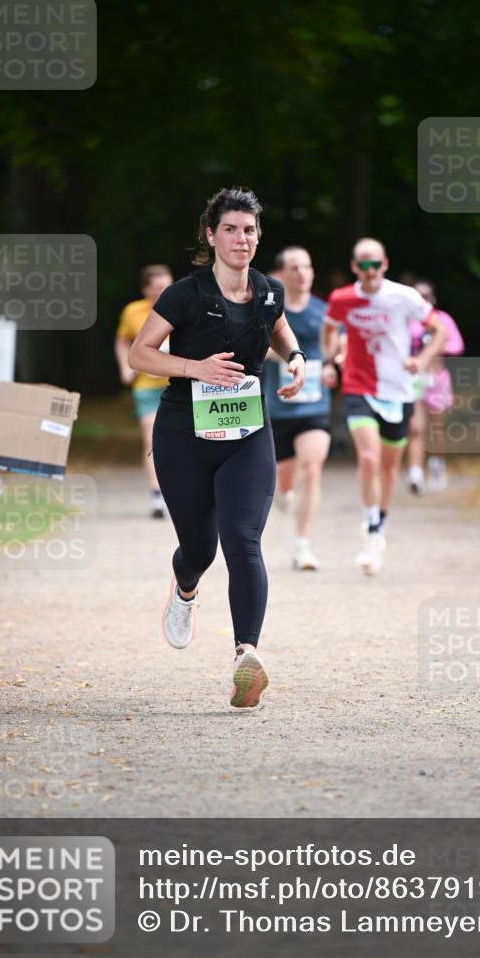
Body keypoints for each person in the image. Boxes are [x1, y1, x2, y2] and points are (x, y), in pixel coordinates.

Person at [128, 187, 305, 708]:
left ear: (258, 237)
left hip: (246, 434)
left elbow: (279, 328)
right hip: (184, 435)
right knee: (200, 549)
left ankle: (245, 656)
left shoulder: (269, 291)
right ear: (211, 235)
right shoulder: (184, 294)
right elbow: (141, 354)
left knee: (243, 541)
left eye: (249, 230)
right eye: (230, 229)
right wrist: (195, 368)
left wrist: (296, 358)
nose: (240, 239)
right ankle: (185, 590)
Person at [321, 238, 446, 576]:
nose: (370, 270)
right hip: (358, 386)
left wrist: (421, 360)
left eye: (375, 264)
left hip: (398, 391)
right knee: (368, 458)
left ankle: (380, 525)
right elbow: (329, 328)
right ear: (354, 267)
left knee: (390, 469)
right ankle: (370, 526)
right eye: (363, 264)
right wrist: (329, 362)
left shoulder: (405, 297)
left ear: (385, 264)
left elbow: (438, 331)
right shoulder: (342, 298)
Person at [263, 246, 337, 570]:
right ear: (281, 274)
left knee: (312, 468)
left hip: (315, 406)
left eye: (306, 266)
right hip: (278, 406)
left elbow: (338, 347)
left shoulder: (323, 311)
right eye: (294, 267)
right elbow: (253, 346)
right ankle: (284, 491)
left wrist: (333, 365)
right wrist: (283, 356)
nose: (302, 273)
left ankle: (302, 545)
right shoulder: (269, 311)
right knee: (284, 480)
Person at [115, 264, 173, 519]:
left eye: (167, 286)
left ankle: (182, 491)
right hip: (146, 386)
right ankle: (158, 496)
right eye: (158, 287)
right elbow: (122, 340)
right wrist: (124, 367)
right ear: (145, 289)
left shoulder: (182, 306)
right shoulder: (133, 312)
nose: (163, 292)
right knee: (151, 440)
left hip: (177, 385)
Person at [407, 280, 465, 495]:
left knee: (436, 428)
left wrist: (435, 347)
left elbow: (457, 345)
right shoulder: (406, 320)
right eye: (418, 295)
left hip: (437, 379)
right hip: (414, 378)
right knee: (415, 427)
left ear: (432, 298)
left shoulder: (442, 319)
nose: (422, 300)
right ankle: (415, 473)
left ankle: (436, 463)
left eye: (426, 295)